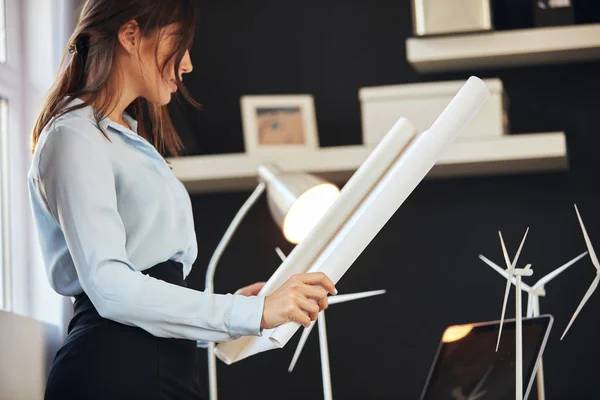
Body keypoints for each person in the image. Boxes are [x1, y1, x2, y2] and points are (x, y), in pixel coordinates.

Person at [27, 1, 336, 399]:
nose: (187, 64)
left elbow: (144, 286)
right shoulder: (73, 137)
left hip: (161, 370)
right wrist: (252, 313)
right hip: (115, 373)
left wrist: (230, 308)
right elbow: (110, 288)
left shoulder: (125, 139)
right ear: (131, 35)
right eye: (179, 43)